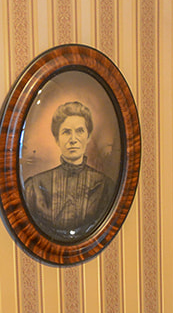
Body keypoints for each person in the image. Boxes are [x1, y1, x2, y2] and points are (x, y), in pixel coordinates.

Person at [23, 100, 115, 241]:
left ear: (88, 136)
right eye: (66, 132)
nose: (73, 139)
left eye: (80, 131)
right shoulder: (35, 186)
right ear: (57, 139)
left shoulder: (104, 185)